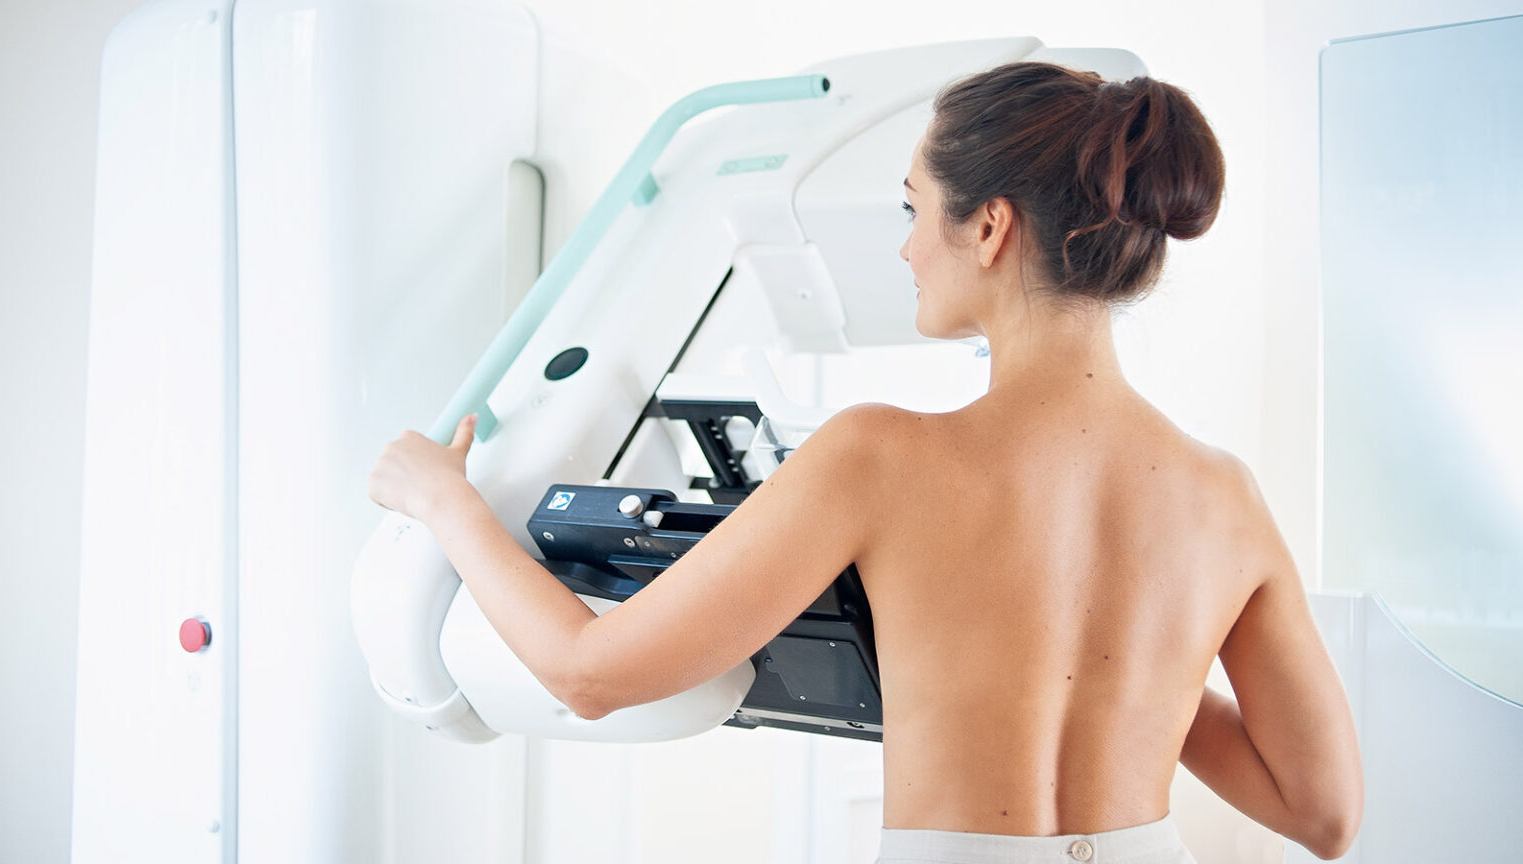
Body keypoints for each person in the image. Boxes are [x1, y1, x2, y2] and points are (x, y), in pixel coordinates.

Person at [368, 61, 1362, 864]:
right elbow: (1323, 815)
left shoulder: (882, 459)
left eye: (912, 211)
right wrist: (1133, 672)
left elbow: (588, 676)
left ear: (990, 225)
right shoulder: (1223, 500)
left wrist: (447, 502)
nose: (905, 250)